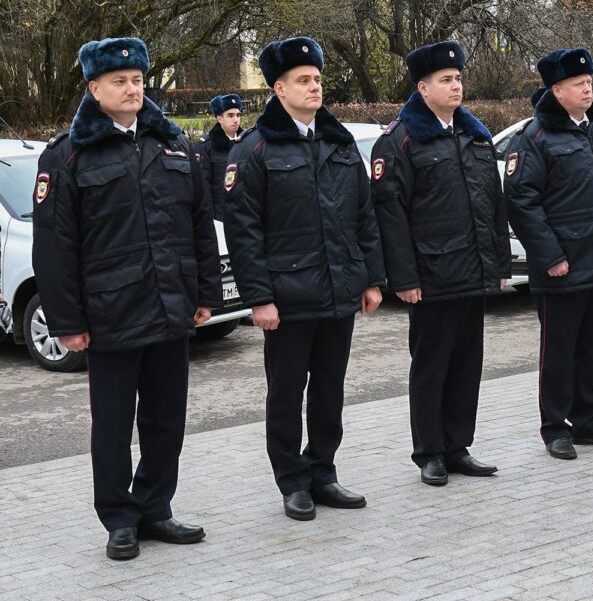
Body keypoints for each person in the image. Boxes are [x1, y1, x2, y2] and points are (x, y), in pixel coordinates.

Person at [32, 37, 220, 560]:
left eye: (137, 80)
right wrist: (67, 321)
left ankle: (156, 508)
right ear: (94, 88)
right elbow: (54, 247)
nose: (132, 88)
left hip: (170, 308)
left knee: (166, 420)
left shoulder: (174, 145)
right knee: (113, 427)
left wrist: (205, 293)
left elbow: (200, 225)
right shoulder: (67, 154)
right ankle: (118, 518)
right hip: (109, 314)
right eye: (119, 81)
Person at [224, 37, 385, 521]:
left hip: (338, 292)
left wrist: (371, 279)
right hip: (287, 298)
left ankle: (323, 471)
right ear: (278, 88)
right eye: (303, 80)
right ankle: (291, 480)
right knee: (287, 391)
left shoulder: (337, 144)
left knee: (330, 389)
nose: (314, 87)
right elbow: (243, 231)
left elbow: (364, 216)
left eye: (317, 79)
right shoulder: (255, 149)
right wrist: (259, 298)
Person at [371, 41, 510, 486]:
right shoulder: (400, 140)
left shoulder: (475, 134)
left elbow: (493, 203)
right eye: (446, 80)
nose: (456, 86)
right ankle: (429, 450)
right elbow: (390, 215)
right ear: (422, 87)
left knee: (467, 363)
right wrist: (404, 279)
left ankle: (457, 445)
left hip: (472, 270)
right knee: (431, 365)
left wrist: (500, 262)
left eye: (458, 78)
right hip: (430, 276)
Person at [504, 47, 593, 460]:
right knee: (558, 350)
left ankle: (587, 419)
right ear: (556, 90)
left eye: (590, 83)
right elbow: (522, 201)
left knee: (591, 346)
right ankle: (554, 427)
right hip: (563, 264)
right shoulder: (535, 137)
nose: (588, 89)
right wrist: (550, 256)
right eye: (579, 84)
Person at [196, 93, 242, 221]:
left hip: (246, 215)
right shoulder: (206, 146)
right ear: (219, 118)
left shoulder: (247, 142)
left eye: (238, 115)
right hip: (219, 217)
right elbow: (202, 187)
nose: (236, 120)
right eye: (230, 115)